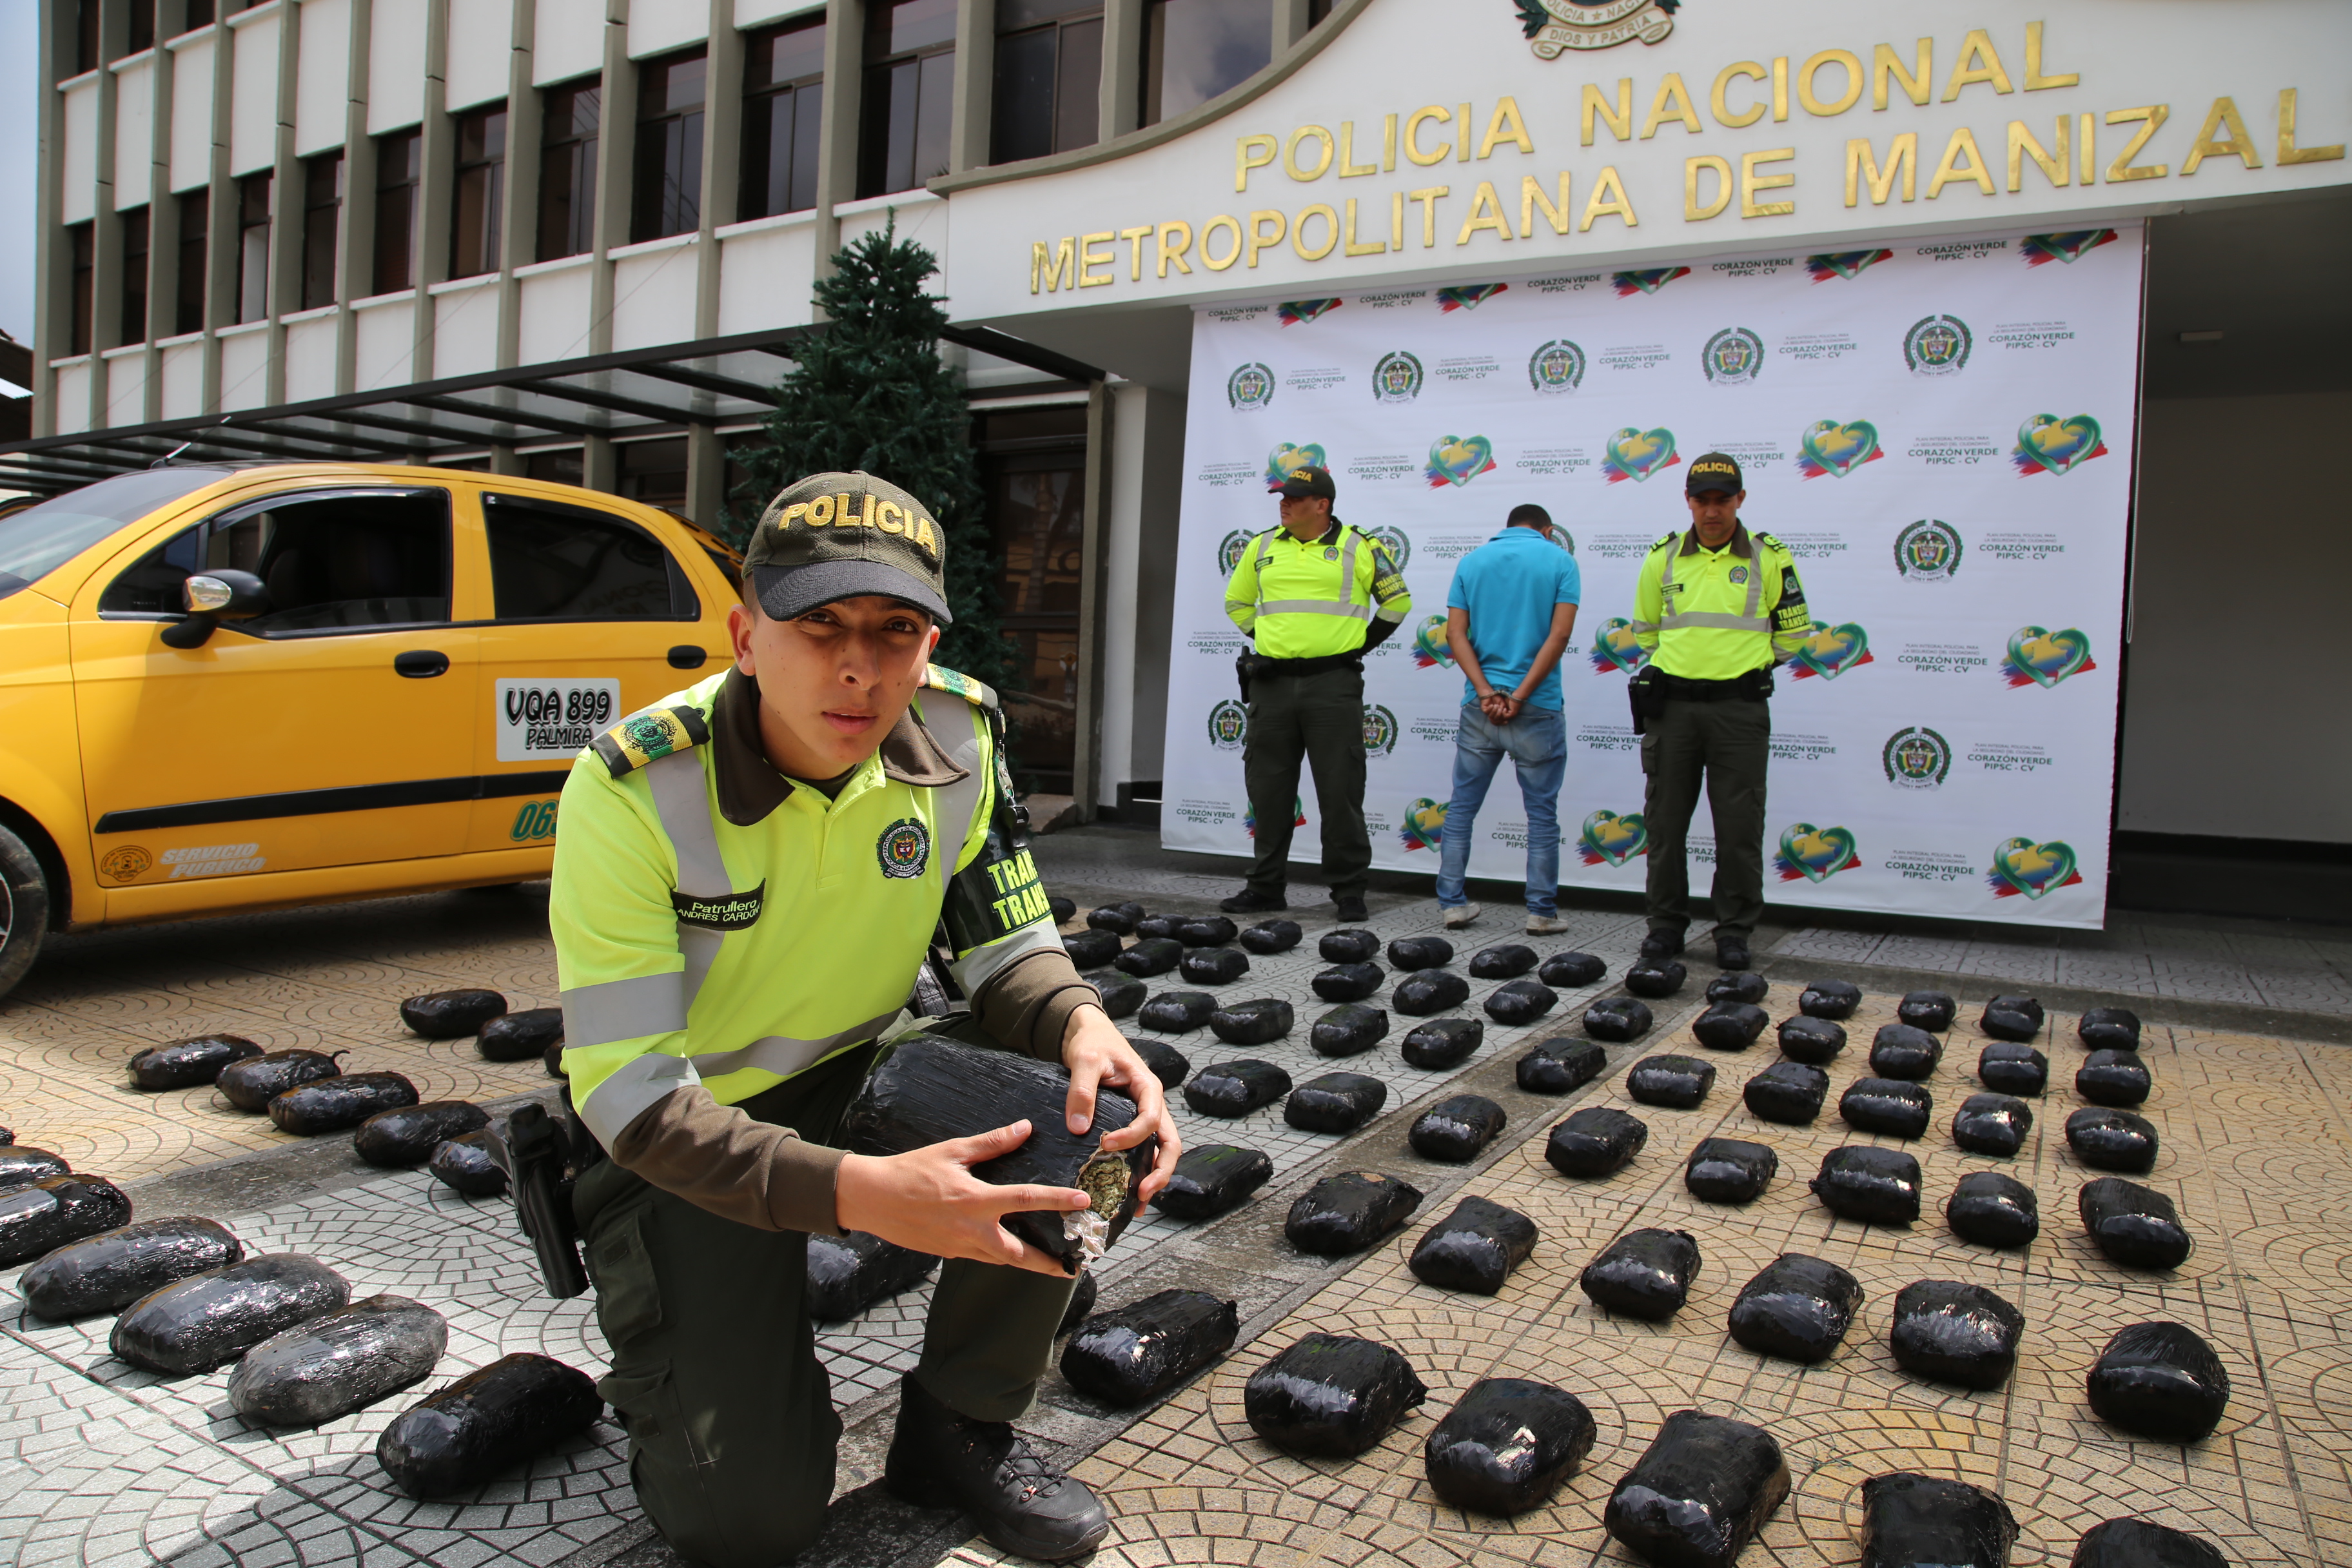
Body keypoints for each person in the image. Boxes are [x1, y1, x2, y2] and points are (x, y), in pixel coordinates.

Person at [549, 470, 1180, 1567]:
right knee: (745, 1522)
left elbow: (1005, 944)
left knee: (1100, 1123)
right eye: (819, 624)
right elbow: (632, 1095)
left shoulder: (958, 740)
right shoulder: (635, 787)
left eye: (895, 630)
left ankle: (957, 1425)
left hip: (856, 1067)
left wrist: (1079, 1021)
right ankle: (677, 1324)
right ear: (746, 636)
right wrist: (863, 1195)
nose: (858, 665)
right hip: (687, 1128)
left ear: (930, 645)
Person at [1628, 453, 1812, 971]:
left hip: (1739, 710)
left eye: (1722, 500)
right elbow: (1645, 631)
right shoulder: (1661, 558)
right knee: (1665, 824)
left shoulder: (1769, 558)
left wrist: (1744, 666)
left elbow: (1794, 633)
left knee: (1738, 827)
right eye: (1702, 500)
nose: (1712, 511)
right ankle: (1665, 928)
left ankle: (1733, 931)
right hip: (1674, 711)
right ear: (1688, 502)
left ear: (1740, 500)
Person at [1218, 465, 1413, 924]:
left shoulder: (1360, 546)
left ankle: (1348, 891)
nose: (1283, 504)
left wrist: (1354, 646)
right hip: (1271, 683)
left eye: (1294, 498)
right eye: (1281, 497)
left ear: (1322, 504)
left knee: (1339, 790)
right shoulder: (1262, 546)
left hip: (1333, 684)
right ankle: (1265, 888)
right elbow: (1236, 602)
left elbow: (1397, 602)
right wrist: (1266, 640)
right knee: (1269, 791)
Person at [1434, 502, 1581, 933]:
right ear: (1547, 530)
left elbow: (1455, 634)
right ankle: (1541, 913)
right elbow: (1560, 635)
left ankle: (1453, 905)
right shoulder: (1561, 561)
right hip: (1538, 706)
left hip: (1479, 706)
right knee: (1541, 814)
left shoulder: (1472, 561)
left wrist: (1485, 691)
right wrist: (1519, 695)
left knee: (1462, 808)